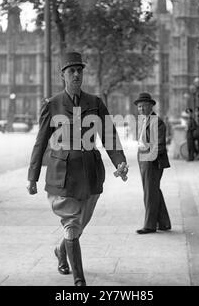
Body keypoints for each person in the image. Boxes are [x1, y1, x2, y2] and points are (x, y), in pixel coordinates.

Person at [27, 52, 128, 286]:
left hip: (91, 175)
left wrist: (120, 162)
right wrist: (32, 177)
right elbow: (40, 142)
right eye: (71, 71)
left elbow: (110, 137)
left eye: (79, 70)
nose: (76, 74)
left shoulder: (95, 103)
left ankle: (61, 252)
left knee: (79, 224)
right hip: (63, 177)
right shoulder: (51, 106)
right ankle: (79, 280)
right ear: (62, 75)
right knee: (72, 225)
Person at [134, 93, 171, 234]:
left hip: (152, 161)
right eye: (139, 106)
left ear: (151, 106)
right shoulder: (144, 121)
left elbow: (160, 144)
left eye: (143, 106)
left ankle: (149, 225)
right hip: (143, 159)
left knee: (150, 192)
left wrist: (149, 155)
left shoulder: (157, 121)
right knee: (153, 190)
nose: (141, 109)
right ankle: (164, 223)